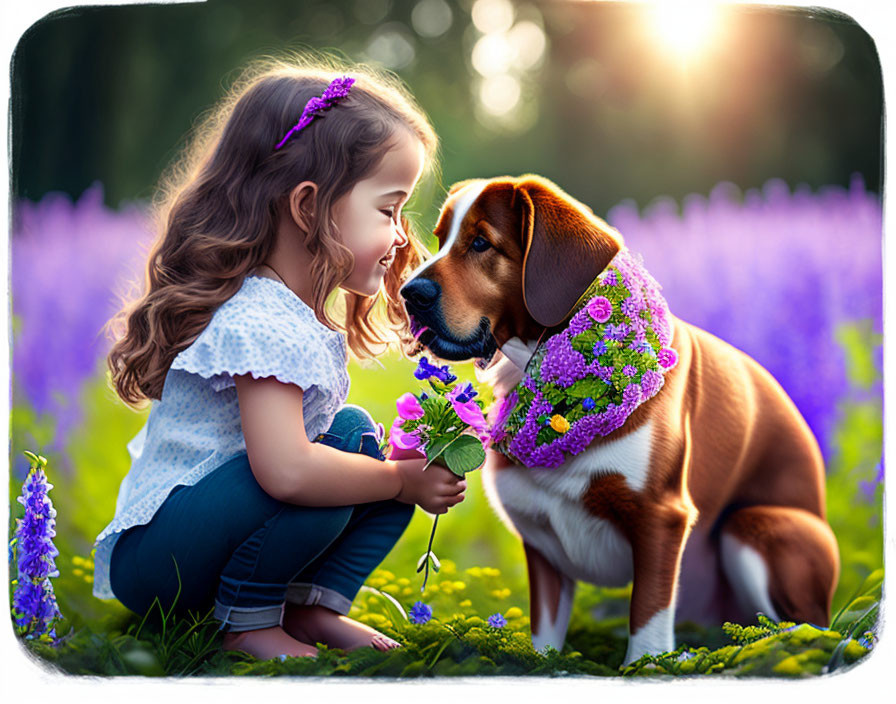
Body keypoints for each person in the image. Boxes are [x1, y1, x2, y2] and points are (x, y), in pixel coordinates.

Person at [92, 52, 465, 661]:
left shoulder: (290, 313)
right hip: (160, 562)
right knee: (340, 468)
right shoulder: (262, 318)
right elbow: (286, 473)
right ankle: (249, 621)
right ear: (307, 207)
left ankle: (309, 607)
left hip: (207, 539)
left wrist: (391, 471)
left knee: (355, 439)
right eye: (388, 208)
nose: (402, 235)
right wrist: (399, 482)